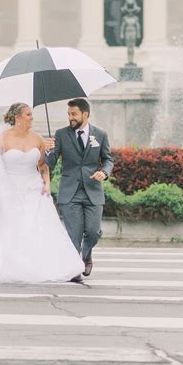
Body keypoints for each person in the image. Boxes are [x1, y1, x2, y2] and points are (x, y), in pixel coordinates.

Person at [0, 102, 85, 283]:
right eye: (28, 115)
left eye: (31, 115)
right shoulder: (2, 139)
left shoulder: (38, 139)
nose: (31, 118)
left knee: (41, 230)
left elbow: (43, 166)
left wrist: (47, 184)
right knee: (13, 231)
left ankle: (53, 267)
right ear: (17, 117)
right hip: (9, 191)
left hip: (35, 189)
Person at [44, 98, 114, 281]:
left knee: (93, 231)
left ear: (85, 114)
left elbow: (108, 159)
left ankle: (86, 254)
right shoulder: (61, 134)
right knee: (74, 234)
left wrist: (104, 173)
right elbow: (49, 165)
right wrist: (47, 151)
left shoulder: (100, 134)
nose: (70, 118)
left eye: (74, 114)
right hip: (70, 192)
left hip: (93, 191)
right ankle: (74, 270)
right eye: (68, 114)